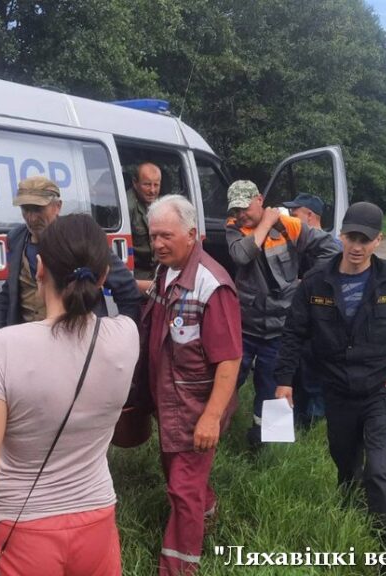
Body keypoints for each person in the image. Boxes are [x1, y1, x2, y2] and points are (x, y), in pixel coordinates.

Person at [0, 214, 140, 576]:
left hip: (19, 530)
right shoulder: (126, 337)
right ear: (105, 276)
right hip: (96, 521)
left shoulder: (3, 347)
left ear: (39, 267)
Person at [274, 202, 386, 576]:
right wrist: (284, 381)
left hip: (382, 388)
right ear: (340, 235)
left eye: (365, 240)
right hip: (337, 389)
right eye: (351, 237)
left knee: (381, 469)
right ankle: (348, 507)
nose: (356, 246)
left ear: (378, 240)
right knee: (344, 460)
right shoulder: (316, 283)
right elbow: (293, 335)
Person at [139, 195, 242, 575]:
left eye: (166, 235)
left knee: (183, 490)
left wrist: (211, 418)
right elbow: (155, 301)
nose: (158, 244)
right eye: (153, 237)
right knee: (180, 478)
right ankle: (208, 511)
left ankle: (178, 567)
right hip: (169, 404)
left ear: (193, 235)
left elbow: (229, 360)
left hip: (196, 408)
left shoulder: (213, 286)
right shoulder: (167, 273)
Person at [225, 182, 340, 446]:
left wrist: (307, 281)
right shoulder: (233, 227)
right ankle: (213, 430)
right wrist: (266, 223)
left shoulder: (289, 226)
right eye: (236, 209)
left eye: (244, 207)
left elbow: (332, 250)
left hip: (279, 329)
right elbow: (242, 256)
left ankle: (263, 445)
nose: (240, 213)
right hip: (244, 327)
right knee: (227, 380)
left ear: (259, 199)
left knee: (271, 388)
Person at [0, 175, 142, 330]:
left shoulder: (80, 239)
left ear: (57, 206)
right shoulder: (16, 239)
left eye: (38, 209)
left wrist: (124, 334)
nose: (31, 218)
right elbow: (8, 294)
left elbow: (127, 289)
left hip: (76, 338)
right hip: (28, 340)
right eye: (26, 209)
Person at [282, 192, 342, 429]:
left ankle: (314, 425)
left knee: (314, 377)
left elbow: (327, 271)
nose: (291, 219)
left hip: (321, 323)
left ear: (309, 216)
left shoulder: (331, 243)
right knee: (298, 373)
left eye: (294, 215)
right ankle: (298, 420)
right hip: (301, 321)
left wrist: (304, 282)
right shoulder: (301, 242)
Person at [126, 162, 162, 292]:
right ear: (135, 183)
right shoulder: (128, 206)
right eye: (147, 184)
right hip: (137, 274)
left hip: (157, 271)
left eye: (156, 185)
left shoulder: (162, 204)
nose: (152, 190)